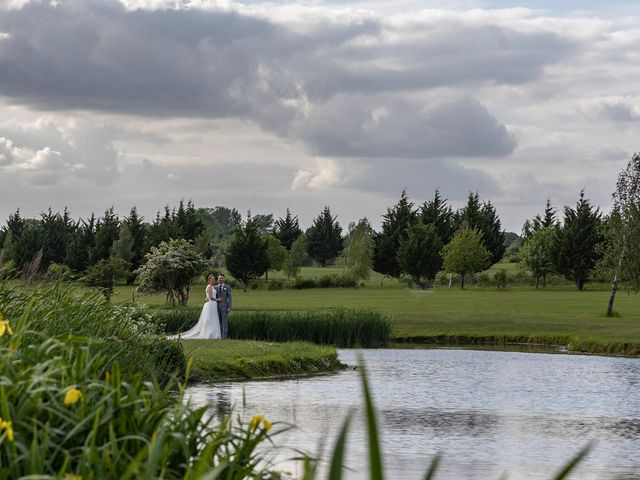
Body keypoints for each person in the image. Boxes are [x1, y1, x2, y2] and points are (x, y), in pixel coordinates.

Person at [168, 274, 221, 339]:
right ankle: (208, 333)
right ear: (209, 280)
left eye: (213, 279)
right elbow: (210, 297)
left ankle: (213, 333)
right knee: (209, 318)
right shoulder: (209, 286)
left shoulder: (213, 287)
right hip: (210, 304)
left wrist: (206, 298)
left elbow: (208, 296)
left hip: (213, 304)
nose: (213, 280)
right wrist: (218, 299)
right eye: (211, 279)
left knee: (213, 318)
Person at [214, 274, 232, 339]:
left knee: (224, 323)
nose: (220, 279)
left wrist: (229, 307)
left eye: (222, 278)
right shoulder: (215, 287)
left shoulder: (227, 287)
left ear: (224, 279)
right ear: (217, 279)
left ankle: (224, 337)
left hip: (224, 307)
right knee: (218, 322)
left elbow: (229, 298)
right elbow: (212, 296)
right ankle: (219, 336)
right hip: (216, 307)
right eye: (219, 278)